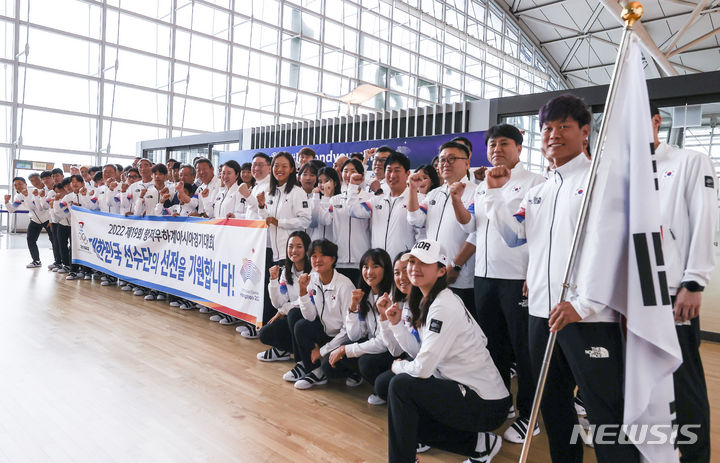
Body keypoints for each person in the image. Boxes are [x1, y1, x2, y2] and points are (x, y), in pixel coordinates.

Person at [484, 94, 638, 463]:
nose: (554, 135)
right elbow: (513, 237)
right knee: (551, 404)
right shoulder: (540, 190)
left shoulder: (602, 180)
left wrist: (584, 304)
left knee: (605, 412)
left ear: (585, 133)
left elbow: (610, 248)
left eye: (564, 126)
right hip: (542, 313)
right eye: (547, 129)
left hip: (589, 316)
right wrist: (493, 192)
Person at [453, 124, 546, 443]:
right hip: (484, 276)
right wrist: (457, 201)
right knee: (493, 346)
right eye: (492, 145)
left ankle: (530, 414)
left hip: (517, 278)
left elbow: (537, 236)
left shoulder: (535, 183)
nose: (496, 150)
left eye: (504, 144)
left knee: (525, 349)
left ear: (519, 148)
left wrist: (533, 274)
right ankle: (501, 401)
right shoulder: (482, 184)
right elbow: (473, 225)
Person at [386, 240, 510, 463]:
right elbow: (419, 353)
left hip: (486, 403)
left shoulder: (443, 305)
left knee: (399, 386)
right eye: (412, 261)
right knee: (405, 421)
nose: (414, 267)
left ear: (441, 270)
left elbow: (422, 369)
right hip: (469, 392)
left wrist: (398, 366)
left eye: (424, 263)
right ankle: (481, 444)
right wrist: (395, 325)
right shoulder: (430, 301)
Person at [652, 104, 716, 463]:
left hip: (674, 288)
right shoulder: (621, 171)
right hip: (630, 292)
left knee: (683, 379)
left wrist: (694, 281)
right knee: (643, 381)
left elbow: (705, 219)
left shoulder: (690, 160)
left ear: (656, 122)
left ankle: (694, 456)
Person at [408, 141, 477, 321]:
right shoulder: (434, 194)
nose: (445, 163)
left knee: (459, 328)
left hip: (460, 277)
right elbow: (415, 219)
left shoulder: (476, 192)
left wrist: (456, 266)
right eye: (442, 160)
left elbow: (475, 233)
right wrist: (413, 190)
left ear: (467, 163)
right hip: (432, 275)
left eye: (452, 159)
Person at [321, 248, 397, 399]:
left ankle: (382, 389)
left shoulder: (392, 296)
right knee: (327, 365)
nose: (369, 272)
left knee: (365, 363)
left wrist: (345, 349)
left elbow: (383, 343)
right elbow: (355, 335)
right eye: (365, 267)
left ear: (386, 269)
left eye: (375, 266)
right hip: (373, 344)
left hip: (392, 351)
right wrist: (353, 308)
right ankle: (360, 376)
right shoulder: (365, 294)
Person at [254, 152, 312, 333]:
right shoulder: (271, 192)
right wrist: (262, 206)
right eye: (276, 166)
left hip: (292, 252)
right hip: (276, 251)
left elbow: (305, 220)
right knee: (277, 295)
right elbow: (267, 218)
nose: (279, 170)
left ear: (292, 169)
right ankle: (274, 331)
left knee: (289, 297)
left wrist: (281, 223)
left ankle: (284, 337)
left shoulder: (297, 192)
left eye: (284, 166)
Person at [290, 239, 355, 388]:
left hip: (345, 337)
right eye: (313, 256)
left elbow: (347, 330)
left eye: (323, 256)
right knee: (300, 325)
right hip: (326, 330)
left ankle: (352, 371)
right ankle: (314, 371)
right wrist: (302, 292)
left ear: (333, 259)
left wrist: (323, 351)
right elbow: (310, 316)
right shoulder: (312, 279)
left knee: (329, 367)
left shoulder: (345, 286)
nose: (317, 260)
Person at [348, 151, 416, 261]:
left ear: (408, 173)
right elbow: (353, 211)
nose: (392, 175)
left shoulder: (416, 200)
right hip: (379, 265)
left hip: (404, 265)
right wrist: (352, 186)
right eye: (389, 170)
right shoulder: (376, 201)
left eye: (397, 171)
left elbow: (421, 235)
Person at [257, 231, 313, 363]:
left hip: (310, 318)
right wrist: (273, 281)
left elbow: (308, 300)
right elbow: (278, 303)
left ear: (306, 249)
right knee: (265, 333)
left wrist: (283, 310)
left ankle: (302, 362)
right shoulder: (286, 271)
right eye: (290, 246)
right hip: (292, 316)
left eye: (299, 246)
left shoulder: (313, 272)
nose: (294, 250)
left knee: (294, 314)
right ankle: (284, 350)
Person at [317, 159, 371, 284]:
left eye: (353, 171)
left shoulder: (368, 198)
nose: (348, 174)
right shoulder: (335, 200)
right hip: (339, 259)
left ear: (361, 176)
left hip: (361, 258)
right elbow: (325, 220)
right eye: (345, 171)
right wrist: (326, 196)